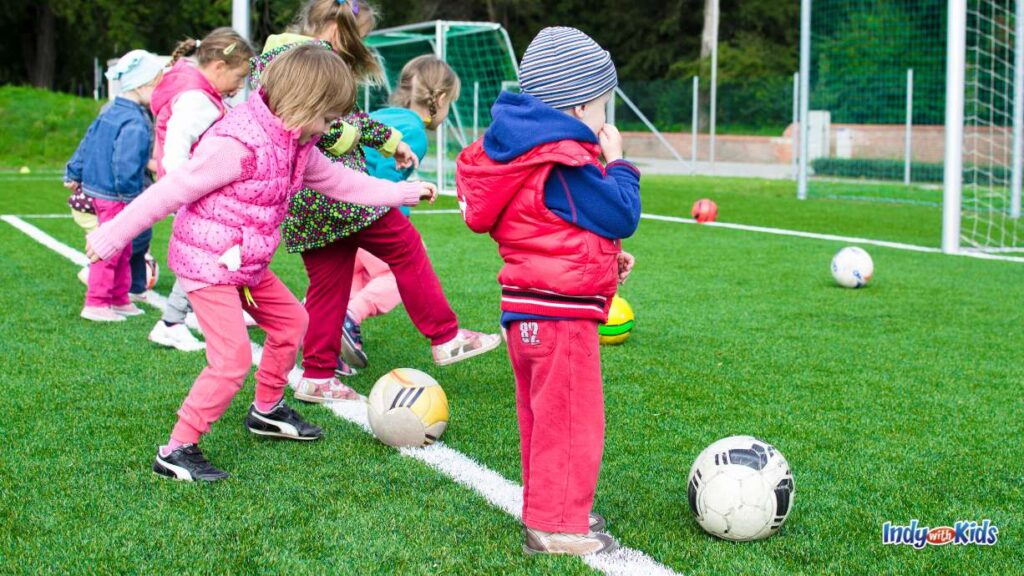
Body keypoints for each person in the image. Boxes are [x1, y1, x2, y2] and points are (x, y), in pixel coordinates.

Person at [85, 45, 437, 482]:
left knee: (293, 323)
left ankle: (266, 411)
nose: (331, 129)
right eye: (328, 119)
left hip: (245, 264)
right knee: (231, 359)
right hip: (208, 264)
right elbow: (170, 191)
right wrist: (112, 235)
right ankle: (176, 449)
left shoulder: (298, 141)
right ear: (303, 104)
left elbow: (338, 181)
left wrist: (400, 193)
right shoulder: (236, 144)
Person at [251, 0, 500, 404]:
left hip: (305, 201)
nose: (356, 47)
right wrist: (360, 139)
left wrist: (391, 141)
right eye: (359, 37)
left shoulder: (276, 56)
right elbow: (324, 125)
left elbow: (346, 116)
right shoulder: (311, 59)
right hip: (337, 192)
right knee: (405, 246)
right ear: (335, 29)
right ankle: (445, 336)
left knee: (329, 287)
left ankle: (317, 376)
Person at [455, 27, 641, 555]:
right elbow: (621, 211)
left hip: (529, 310)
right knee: (570, 420)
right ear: (580, 105)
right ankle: (556, 526)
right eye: (604, 105)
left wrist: (605, 260)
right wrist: (620, 163)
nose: (607, 119)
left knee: (543, 419)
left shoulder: (525, 154)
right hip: (559, 318)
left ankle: (550, 508)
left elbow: (550, 228)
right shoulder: (563, 160)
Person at [339, 55, 461, 376]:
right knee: (399, 274)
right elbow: (383, 173)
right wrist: (405, 195)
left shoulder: (380, 115)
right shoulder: (415, 133)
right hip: (370, 215)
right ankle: (350, 316)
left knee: (353, 277)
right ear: (442, 99)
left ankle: (329, 339)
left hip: (339, 212)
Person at [147, 27, 256, 352]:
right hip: (194, 192)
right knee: (206, 254)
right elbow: (177, 150)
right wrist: (186, 190)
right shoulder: (197, 100)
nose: (239, 89)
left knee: (213, 252)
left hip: (194, 190)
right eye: (238, 78)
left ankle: (189, 314)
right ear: (219, 67)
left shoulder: (198, 90)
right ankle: (171, 322)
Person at [65, 50, 167, 322]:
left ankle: (119, 298)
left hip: (103, 191)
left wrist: (74, 170)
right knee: (111, 248)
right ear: (143, 85)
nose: (159, 92)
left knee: (123, 247)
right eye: (157, 85)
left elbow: (87, 140)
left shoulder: (110, 110)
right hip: (117, 195)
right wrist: (132, 199)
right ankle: (97, 302)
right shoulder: (135, 120)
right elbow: (125, 163)